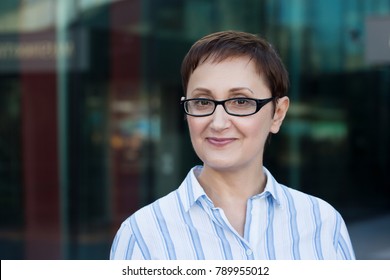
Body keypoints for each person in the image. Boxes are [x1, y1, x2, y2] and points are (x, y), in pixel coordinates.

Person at [110, 30, 355, 260]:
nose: (218, 123)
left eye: (240, 101)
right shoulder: (142, 235)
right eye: (203, 101)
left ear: (278, 114)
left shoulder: (322, 223)